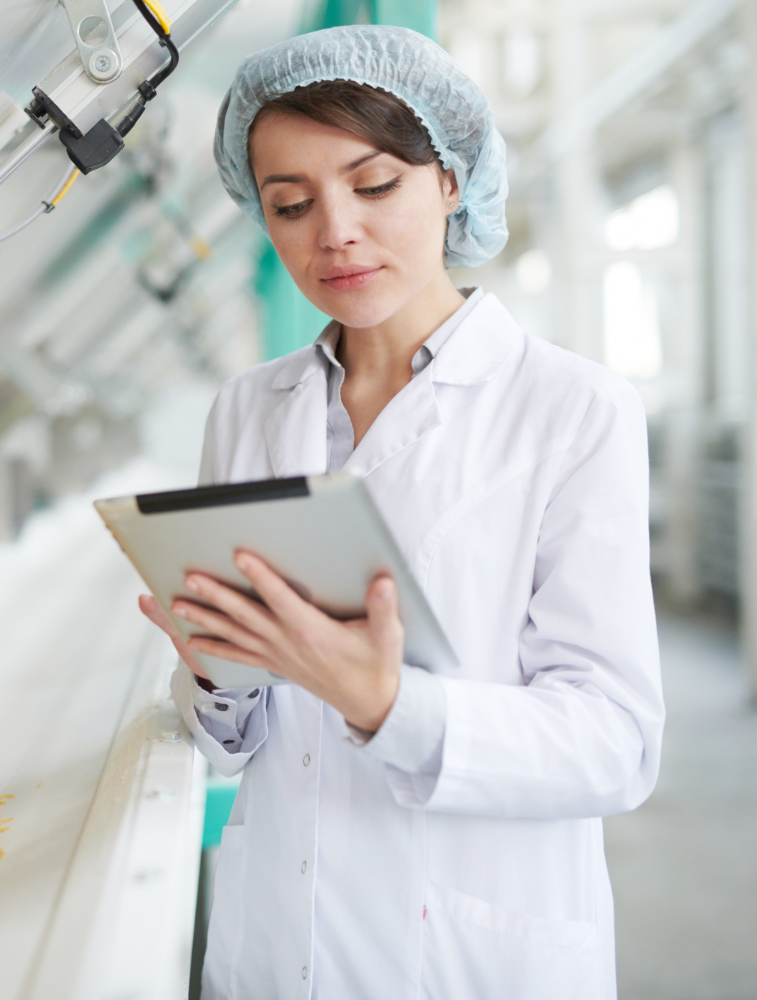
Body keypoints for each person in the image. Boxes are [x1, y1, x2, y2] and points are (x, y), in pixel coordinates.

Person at [142, 25, 664, 1000]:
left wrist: (388, 707)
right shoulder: (248, 410)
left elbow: (616, 742)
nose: (333, 230)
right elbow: (229, 740)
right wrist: (215, 671)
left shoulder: (572, 409)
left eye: (374, 185)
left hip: (473, 953)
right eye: (289, 204)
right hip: (276, 946)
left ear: (453, 182)